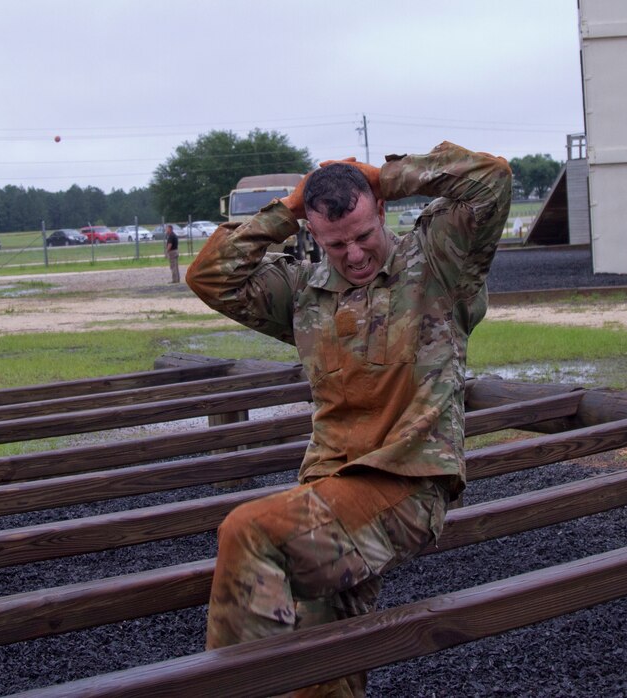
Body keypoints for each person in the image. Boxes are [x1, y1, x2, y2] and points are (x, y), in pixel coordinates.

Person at [185, 141, 511, 697]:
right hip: (328, 490)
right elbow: (211, 277)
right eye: (336, 244)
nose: (355, 254)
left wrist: (384, 176)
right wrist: (285, 211)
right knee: (325, 660)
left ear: (380, 211)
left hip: (408, 483)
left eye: (363, 236)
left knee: (250, 530)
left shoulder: (438, 263)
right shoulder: (304, 294)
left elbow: (492, 178)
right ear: (314, 235)